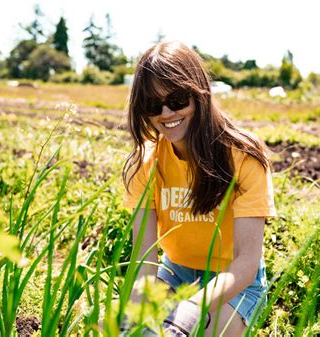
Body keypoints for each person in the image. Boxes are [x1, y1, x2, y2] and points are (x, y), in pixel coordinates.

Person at [122, 41, 276, 336]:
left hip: (233, 278)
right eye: (153, 105)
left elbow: (246, 261)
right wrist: (134, 315)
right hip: (175, 269)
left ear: (199, 93)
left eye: (178, 99)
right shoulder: (147, 160)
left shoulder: (243, 155)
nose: (166, 113)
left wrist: (190, 310)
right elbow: (145, 258)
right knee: (127, 328)